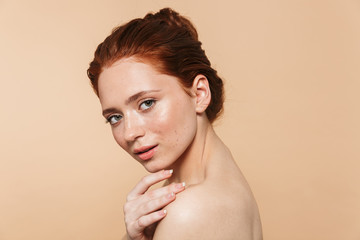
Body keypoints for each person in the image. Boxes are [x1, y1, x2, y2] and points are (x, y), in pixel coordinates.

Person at [87, 7, 262, 240]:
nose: (129, 133)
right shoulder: (211, 187)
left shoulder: (191, 210)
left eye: (147, 103)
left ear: (199, 93)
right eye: (115, 117)